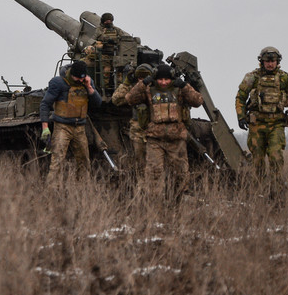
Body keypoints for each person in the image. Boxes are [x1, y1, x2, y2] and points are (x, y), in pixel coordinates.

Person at [125, 63, 204, 204]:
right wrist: (143, 83)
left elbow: (198, 101)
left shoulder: (179, 90)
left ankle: (176, 202)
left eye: (166, 79)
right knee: (154, 172)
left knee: (181, 173)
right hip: (155, 139)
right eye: (160, 79)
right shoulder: (149, 90)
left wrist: (185, 85)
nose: (163, 82)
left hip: (176, 138)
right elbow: (130, 98)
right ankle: (155, 204)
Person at [235, 47, 288, 196]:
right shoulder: (252, 77)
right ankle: (258, 191)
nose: (270, 64)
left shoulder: (285, 78)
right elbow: (240, 97)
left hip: (276, 124)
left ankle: (276, 192)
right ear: (262, 61)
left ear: (277, 61)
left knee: (275, 156)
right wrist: (240, 116)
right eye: (267, 61)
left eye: (273, 61)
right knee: (257, 160)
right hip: (256, 124)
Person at [39, 60, 102, 184]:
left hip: (80, 128)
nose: (79, 80)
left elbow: (98, 103)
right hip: (62, 127)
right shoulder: (59, 83)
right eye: (77, 78)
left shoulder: (86, 82)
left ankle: (82, 192)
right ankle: (51, 194)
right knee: (57, 161)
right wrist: (45, 127)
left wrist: (89, 87)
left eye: (82, 78)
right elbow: (45, 104)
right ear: (72, 74)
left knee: (84, 162)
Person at [112, 63, 155, 191]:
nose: (142, 81)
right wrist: (126, 83)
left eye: (145, 77)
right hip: (139, 132)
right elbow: (117, 99)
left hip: (156, 131)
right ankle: (142, 190)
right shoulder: (134, 89)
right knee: (140, 164)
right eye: (139, 78)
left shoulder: (157, 88)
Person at [83, 13, 130, 89]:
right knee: (106, 71)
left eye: (110, 21)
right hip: (104, 54)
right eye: (106, 21)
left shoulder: (116, 30)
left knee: (119, 73)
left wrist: (117, 40)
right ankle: (105, 88)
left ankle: (118, 88)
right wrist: (99, 43)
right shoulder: (99, 30)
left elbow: (125, 38)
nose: (108, 23)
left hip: (116, 55)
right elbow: (91, 41)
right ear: (103, 21)